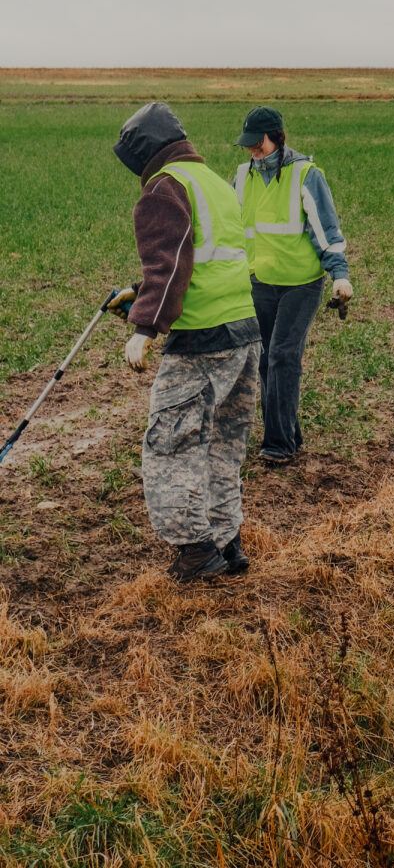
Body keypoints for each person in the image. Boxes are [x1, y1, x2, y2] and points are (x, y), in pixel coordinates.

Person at [109, 102, 261, 583]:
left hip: (201, 342)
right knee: (223, 445)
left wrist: (145, 326)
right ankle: (227, 542)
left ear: (144, 153)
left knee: (171, 447)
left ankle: (196, 553)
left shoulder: (163, 187)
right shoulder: (212, 181)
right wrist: (143, 294)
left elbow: (169, 261)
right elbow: (202, 259)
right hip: (244, 332)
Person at [232, 106, 352, 464]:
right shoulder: (242, 176)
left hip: (301, 283)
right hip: (260, 282)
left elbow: (326, 229)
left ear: (277, 137)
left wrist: (340, 274)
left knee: (284, 356)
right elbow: (230, 228)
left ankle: (278, 444)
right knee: (266, 360)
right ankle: (290, 436)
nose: (253, 150)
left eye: (259, 143)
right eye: (248, 144)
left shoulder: (305, 174)